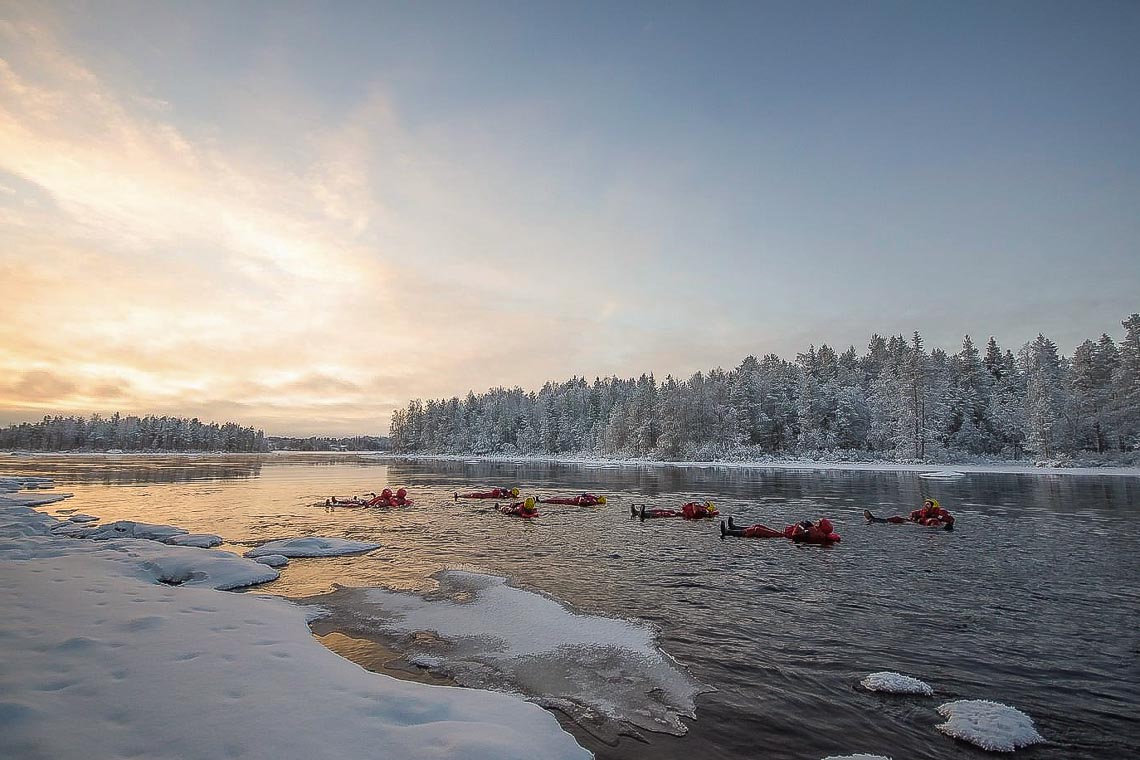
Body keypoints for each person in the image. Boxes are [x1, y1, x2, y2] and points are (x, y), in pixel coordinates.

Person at [720, 515, 840, 544]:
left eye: (819, 523)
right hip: (783, 534)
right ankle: (735, 527)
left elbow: (795, 534)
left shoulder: (813, 533)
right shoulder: (814, 530)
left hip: (783, 537)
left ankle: (728, 532)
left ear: (821, 527)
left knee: (757, 530)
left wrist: (801, 526)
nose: (816, 522)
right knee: (759, 525)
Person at [864, 498, 954, 528]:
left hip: (934, 526)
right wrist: (912, 517)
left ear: (933, 505)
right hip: (917, 524)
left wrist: (939, 517)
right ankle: (875, 519)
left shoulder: (940, 511)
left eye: (928, 504)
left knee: (932, 520)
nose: (926, 506)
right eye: (925, 504)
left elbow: (950, 519)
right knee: (897, 518)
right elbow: (914, 513)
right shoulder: (923, 511)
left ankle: (934, 528)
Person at [631, 501, 718, 520]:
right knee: (660, 510)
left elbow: (695, 513)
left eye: (707, 504)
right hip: (679, 512)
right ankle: (637, 512)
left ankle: (644, 514)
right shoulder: (702, 509)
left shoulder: (704, 512)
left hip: (680, 515)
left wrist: (693, 505)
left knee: (662, 514)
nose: (705, 504)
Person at [538, 493, 607, 506]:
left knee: (556, 500)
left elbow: (582, 502)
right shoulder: (594, 499)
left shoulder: (593, 502)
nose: (598, 496)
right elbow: (587, 496)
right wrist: (585, 495)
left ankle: (541, 501)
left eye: (600, 497)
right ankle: (542, 501)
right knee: (555, 499)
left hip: (571, 502)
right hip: (571, 500)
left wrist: (581, 498)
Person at [455, 487, 520, 500]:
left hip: (489, 496)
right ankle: (459, 496)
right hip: (488, 496)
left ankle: (459, 496)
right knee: (474, 495)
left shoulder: (506, 493)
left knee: (474, 495)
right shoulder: (506, 493)